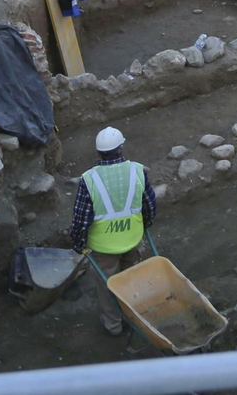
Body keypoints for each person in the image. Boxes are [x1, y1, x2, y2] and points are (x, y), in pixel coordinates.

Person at [70, 126, 158, 337]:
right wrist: (144, 225)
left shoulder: (89, 179)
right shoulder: (137, 170)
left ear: (99, 152)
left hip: (103, 248)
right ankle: (135, 316)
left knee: (108, 286)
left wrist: (78, 244)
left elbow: (81, 218)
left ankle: (114, 325)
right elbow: (150, 205)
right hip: (133, 238)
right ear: (121, 149)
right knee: (131, 280)